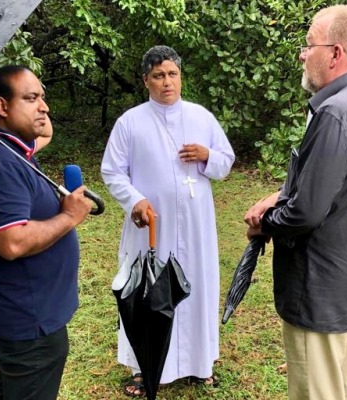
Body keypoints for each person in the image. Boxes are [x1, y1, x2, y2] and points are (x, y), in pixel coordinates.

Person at [244, 5, 347, 400]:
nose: (302, 53)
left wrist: (267, 223)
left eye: (308, 44)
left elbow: (307, 212)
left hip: (320, 287)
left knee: (317, 392)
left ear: (335, 53)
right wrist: (281, 195)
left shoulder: (336, 112)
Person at [101, 45, 235, 396]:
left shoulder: (201, 117)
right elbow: (112, 172)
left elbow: (226, 161)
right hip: (151, 225)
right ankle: (145, 367)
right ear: (146, 80)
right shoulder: (130, 122)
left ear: (181, 77)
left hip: (196, 224)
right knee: (148, 292)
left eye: (172, 74)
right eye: (158, 75)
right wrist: (135, 200)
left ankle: (199, 362)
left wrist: (208, 156)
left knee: (197, 286)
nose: (166, 82)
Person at [0, 65, 94, 399]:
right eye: (31, 98)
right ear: (2, 107)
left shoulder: (9, 147)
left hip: (30, 314)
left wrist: (21, 105)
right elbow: (11, 242)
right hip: (28, 318)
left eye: (43, 97)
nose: (44, 107)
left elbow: (45, 132)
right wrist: (69, 217)